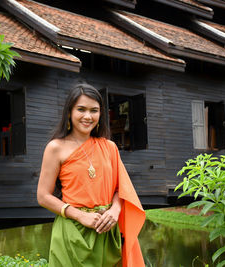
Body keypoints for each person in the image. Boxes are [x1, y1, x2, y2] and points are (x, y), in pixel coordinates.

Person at [37, 83, 145, 267]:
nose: (88, 116)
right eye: (81, 109)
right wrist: (80, 216)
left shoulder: (109, 147)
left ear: (100, 114)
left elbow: (121, 188)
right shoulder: (55, 148)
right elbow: (43, 196)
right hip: (72, 234)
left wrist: (115, 210)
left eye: (94, 110)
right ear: (69, 112)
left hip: (107, 232)